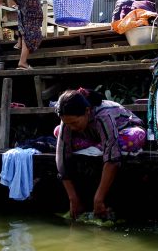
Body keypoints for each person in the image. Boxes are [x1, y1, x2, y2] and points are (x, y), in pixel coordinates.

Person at [55, 88, 146, 219]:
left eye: (75, 122)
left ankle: (100, 145)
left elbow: (113, 158)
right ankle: (99, 145)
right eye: (68, 124)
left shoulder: (103, 116)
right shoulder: (67, 120)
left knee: (132, 138)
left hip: (123, 132)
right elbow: (61, 157)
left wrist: (98, 199)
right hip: (94, 137)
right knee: (58, 131)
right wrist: (73, 198)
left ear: (87, 111)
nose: (72, 127)